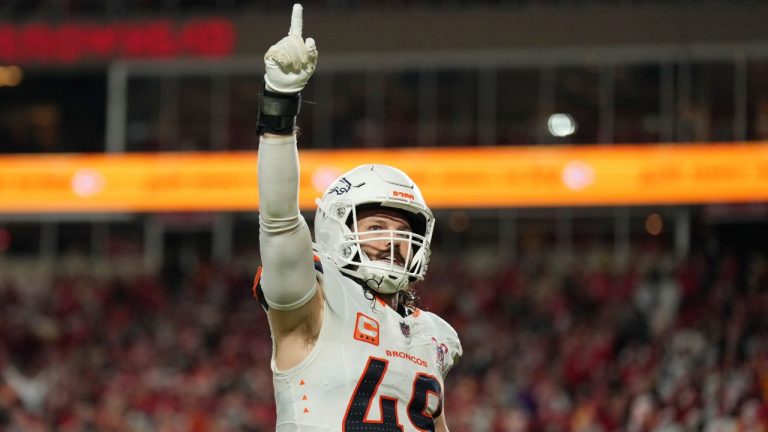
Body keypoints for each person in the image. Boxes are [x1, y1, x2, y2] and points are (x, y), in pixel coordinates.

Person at [253, 4, 462, 430]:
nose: (393, 240)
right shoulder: (318, 301)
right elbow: (277, 222)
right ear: (337, 230)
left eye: (403, 231)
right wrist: (279, 101)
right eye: (376, 226)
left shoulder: (433, 335)